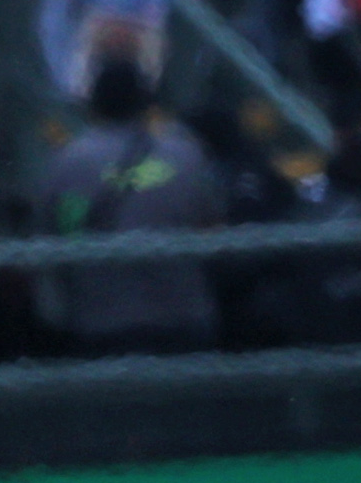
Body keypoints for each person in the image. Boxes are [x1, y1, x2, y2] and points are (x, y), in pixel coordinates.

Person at [38, 48, 227, 354]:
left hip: (101, 326)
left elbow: (54, 238)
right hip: (184, 320)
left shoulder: (68, 162)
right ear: (145, 103)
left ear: (94, 102)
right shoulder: (186, 154)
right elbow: (214, 228)